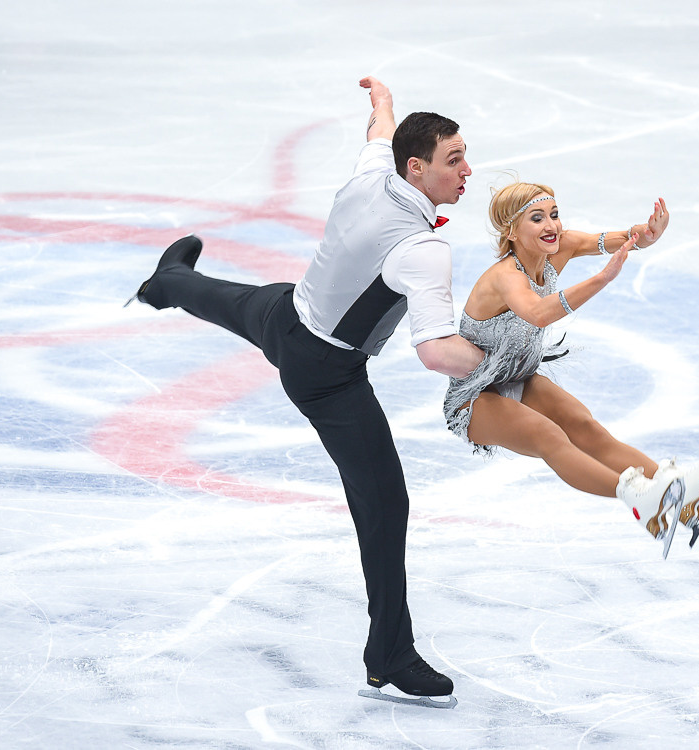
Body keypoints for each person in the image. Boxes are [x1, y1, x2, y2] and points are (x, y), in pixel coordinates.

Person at [126, 77, 484, 707]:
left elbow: (377, 135)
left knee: (223, 299)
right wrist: (503, 360)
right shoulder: (421, 249)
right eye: (454, 160)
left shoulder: (374, 173)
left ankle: (167, 282)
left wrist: (384, 107)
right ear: (417, 167)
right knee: (384, 503)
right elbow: (435, 353)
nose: (467, 170)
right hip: (328, 376)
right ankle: (389, 655)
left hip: (290, 314)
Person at [443, 182, 699, 558]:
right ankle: (643, 502)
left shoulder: (558, 247)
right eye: (537, 218)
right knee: (549, 436)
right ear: (511, 231)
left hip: (517, 377)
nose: (552, 225)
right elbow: (539, 312)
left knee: (585, 426)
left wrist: (645, 236)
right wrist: (602, 279)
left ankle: (680, 498)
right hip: (474, 397)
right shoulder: (505, 278)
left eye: (555, 214)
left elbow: (622, 239)